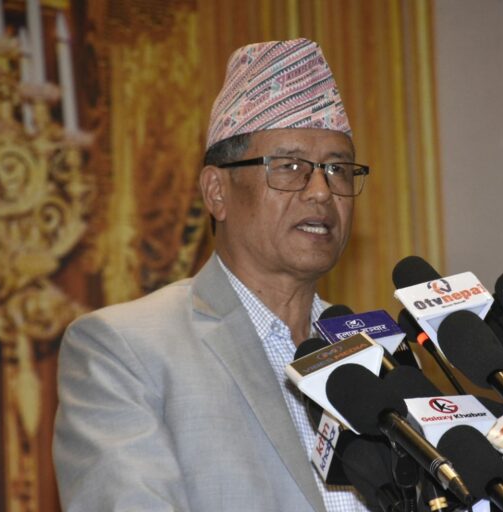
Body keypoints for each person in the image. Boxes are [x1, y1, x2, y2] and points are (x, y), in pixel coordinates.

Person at [53, 38, 371, 511]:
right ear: (216, 192)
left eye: (338, 169)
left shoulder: (375, 356)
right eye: (290, 167)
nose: (322, 191)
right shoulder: (125, 349)